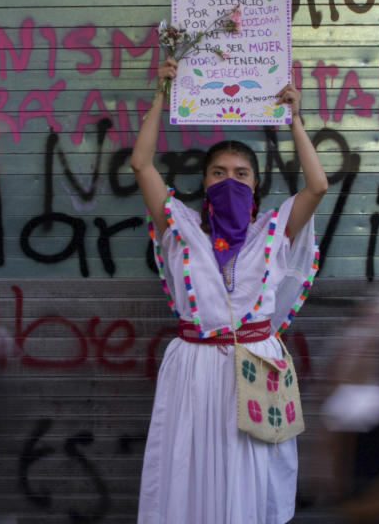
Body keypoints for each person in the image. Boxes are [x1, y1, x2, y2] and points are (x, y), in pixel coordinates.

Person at [133, 57, 328, 524]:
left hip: (255, 369)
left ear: (257, 185)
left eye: (241, 173)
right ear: (203, 182)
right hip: (194, 370)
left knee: (249, 472)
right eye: (218, 172)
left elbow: (318, 185)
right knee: (190, 469)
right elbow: (141, 163)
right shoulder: (179, 226)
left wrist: (295, 119)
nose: (229, 180)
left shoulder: (273, 231)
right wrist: (162, 91)